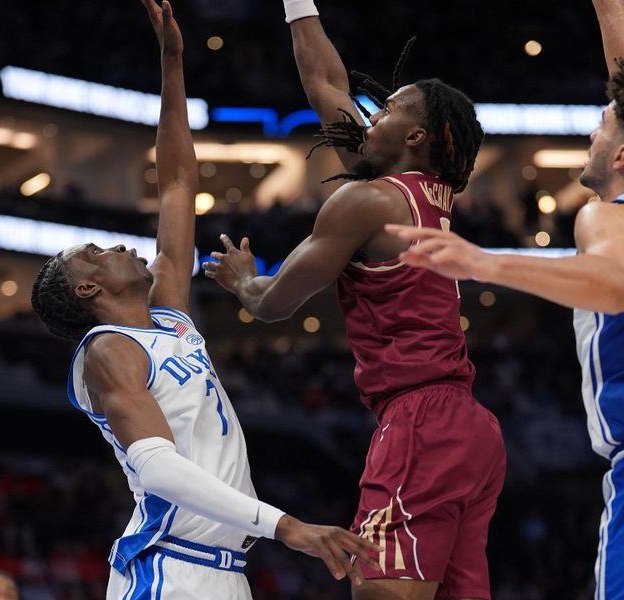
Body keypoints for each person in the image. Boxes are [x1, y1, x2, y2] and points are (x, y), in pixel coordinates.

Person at [29, 2, 377, 598]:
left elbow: (177, 184)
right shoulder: (108, 350)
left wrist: (172, 66)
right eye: (96, 251)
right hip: (167, 567)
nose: (115, 245)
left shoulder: (168, 316)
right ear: (88, 289)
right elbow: (157, 468)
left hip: (224, 571)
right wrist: (286, 526)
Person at [386, 1, 624, 598]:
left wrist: (483, 262)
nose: (593, 131)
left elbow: (614, 285)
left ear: (621, 157)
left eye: (603, 127)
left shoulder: (612, 216)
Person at [203, 2, 505, 598]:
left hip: (420, 420)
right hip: (469, 428)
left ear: (415, 135)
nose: (371, 113)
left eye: (387, 109)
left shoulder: (367, 202)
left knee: (379, 591)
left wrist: (241, 279)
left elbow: (272, 304)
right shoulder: (424, 192)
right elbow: (325, 85)